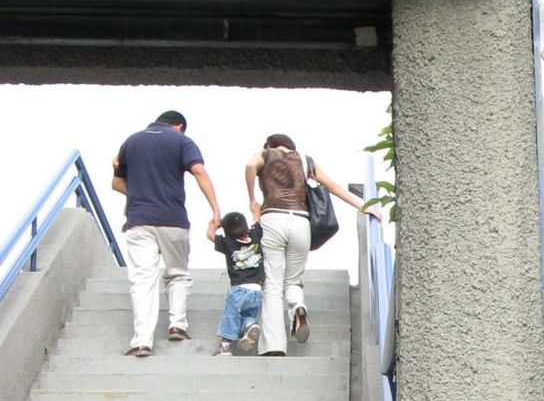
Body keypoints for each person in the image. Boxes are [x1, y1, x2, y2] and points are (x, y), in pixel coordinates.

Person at [243, 133, 372, 356]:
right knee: (293, 279)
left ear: (272, 145)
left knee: (273, 284)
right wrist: (364, 207)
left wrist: (252, 198)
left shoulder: (266, 154)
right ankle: (298, 308)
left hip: (273, 218)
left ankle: (274, 346)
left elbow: (249, 165)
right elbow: (331, 186)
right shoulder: (306, 160)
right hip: (301, 222)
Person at [112, 110, 222, 356]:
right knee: (178, 274)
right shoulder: (181, 141)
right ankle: (177, 325)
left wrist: (141, 193)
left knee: (142, 281)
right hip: (173, 220)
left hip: (139, 220)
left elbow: (116, 182)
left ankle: (141, 341)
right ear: (179, 126)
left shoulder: (131, 141)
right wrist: (215, 209)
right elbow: (199, 171)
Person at [212, 211, 265, 355]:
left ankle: (225, 346)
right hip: (257, 291)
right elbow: (258, 221)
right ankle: (249, 326)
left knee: (231, 315)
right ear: (246, 228)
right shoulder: (255, 236)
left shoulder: (228, 243)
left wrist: (215, 224)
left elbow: (209, 235)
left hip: (239, 290)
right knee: (248, 314)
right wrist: (255, 211)